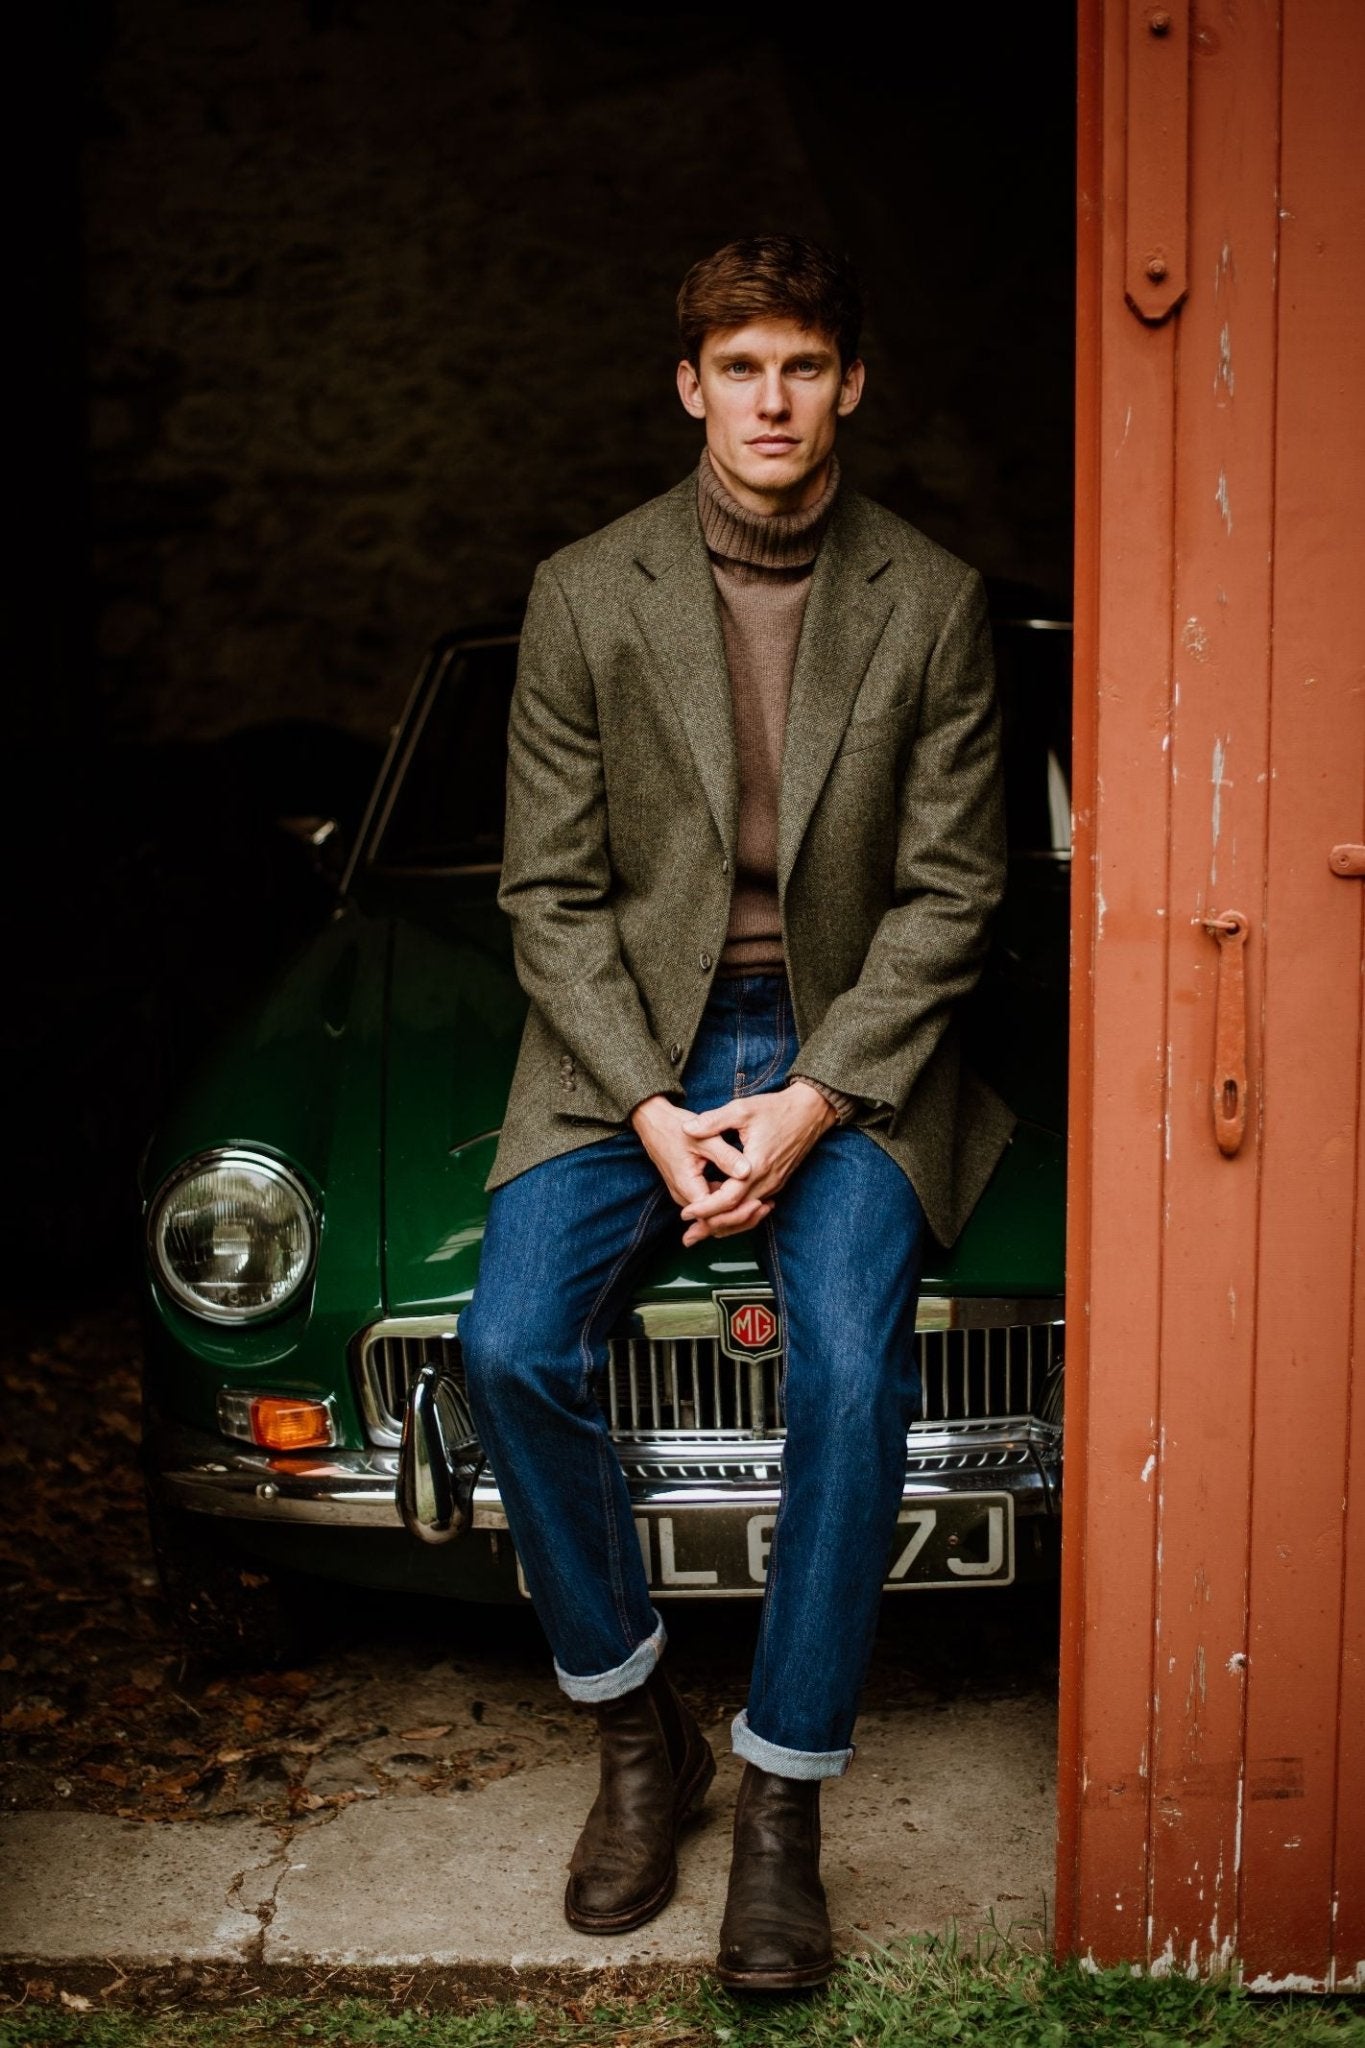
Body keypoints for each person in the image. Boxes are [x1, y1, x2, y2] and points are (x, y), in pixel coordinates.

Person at [458, 233, 1014, 1991]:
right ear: (685, 385)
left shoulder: (928, 598)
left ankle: (780, 1803)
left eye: (801, 366)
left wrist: (815, 1099)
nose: (768, 400)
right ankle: (641, 1740)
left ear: (848, 383)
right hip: (625, 1041)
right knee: (505, 1347)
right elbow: (547, 893)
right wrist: (646, 1101)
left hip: (851, 1039)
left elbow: (951, 893)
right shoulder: (583, 590)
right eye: (736, 368)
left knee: (849, 1370)